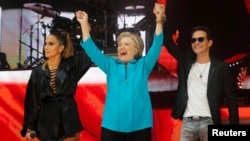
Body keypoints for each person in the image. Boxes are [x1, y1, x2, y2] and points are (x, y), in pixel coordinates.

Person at [75, 3, 165, 141]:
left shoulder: (144, 65)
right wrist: (83, 23)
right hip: (112, 127)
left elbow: (157, 44)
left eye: (127, 44)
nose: (121, 47)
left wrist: (159, 20)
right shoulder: (110, 65)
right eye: (120, 44)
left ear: (137, 49)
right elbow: (91, 49)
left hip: (140, 126)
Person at [164, 23, 239, 140]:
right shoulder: (186, 61)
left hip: (210, 121)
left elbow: (231, 99)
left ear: (210, 42)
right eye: (193, 40)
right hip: (188, 121)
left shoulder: (220, 67)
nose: (196, 43)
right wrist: (162, 21)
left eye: (200, 39)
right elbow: (169, 44)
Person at [21, 28, 92, 141]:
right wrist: (30, 127)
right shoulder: (38, 72)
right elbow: (31, 100)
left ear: (61, 48)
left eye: (51, 44)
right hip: (46, 121)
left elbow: (90, 53)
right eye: (45, 44)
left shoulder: (72, 66)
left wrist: (84, 26)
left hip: (68, 117)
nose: (46, 47)